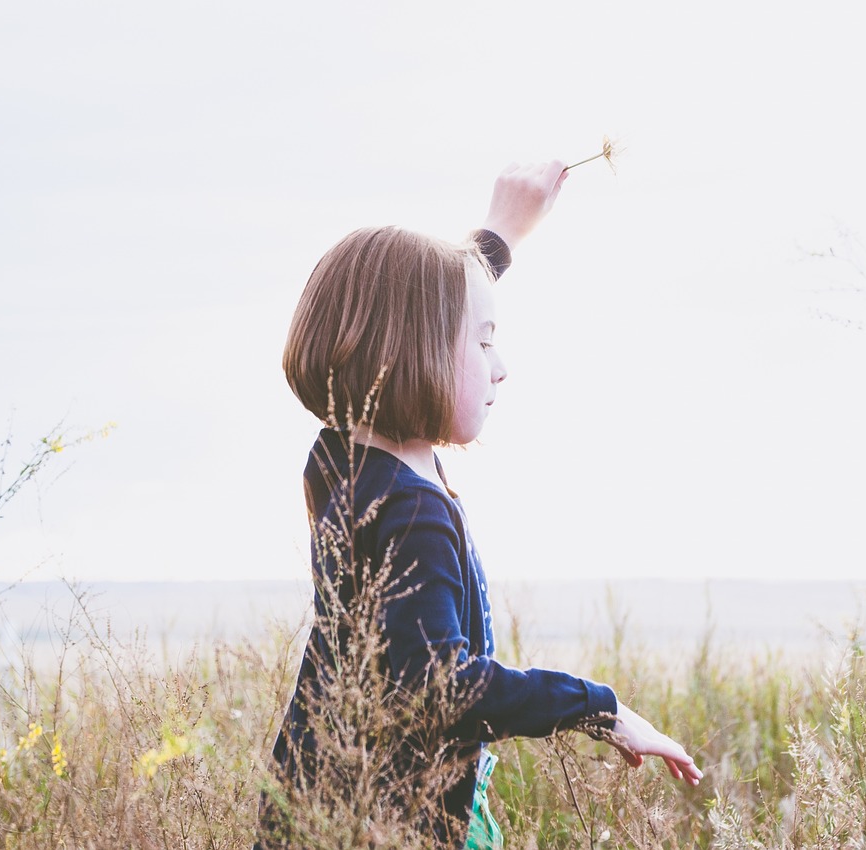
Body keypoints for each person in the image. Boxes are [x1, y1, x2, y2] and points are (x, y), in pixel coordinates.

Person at [260, 161, 703, 849]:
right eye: (485, 341)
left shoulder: (347, 459)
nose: (502, 366)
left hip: (326, 808)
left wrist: (498, 238)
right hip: (382, 826)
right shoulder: (413, 516)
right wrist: (601, 709)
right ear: (417, 351)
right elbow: (446, 688)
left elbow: (409, 306)